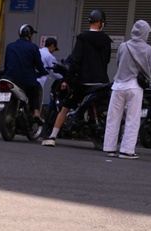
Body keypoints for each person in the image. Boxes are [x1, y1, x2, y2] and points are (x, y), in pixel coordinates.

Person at [42, 9, 112, 146]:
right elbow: (107, 60)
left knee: (65, 107)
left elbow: (75, 60)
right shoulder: (106, 40)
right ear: (101, 22)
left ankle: (52, 137)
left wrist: (67, 80)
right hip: (101, 82)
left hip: (83, 82)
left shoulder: (82, 38)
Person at [102, 20, 151, 159]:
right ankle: (127, 151)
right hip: (135, 86)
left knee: (113, 118)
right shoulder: (148, 49)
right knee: (132, 119)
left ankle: (109, 148)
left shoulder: (123, 46)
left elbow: (119, 62)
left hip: (118, 85)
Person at [0, 24, 47, 139]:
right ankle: (36, 114)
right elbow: (39, 65)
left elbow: (6, 65)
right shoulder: (33, 47)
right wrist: (42, 72)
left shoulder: (10, 46)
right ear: (30, 35)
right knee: (35, 91)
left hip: (9, 78)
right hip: (26, 81)